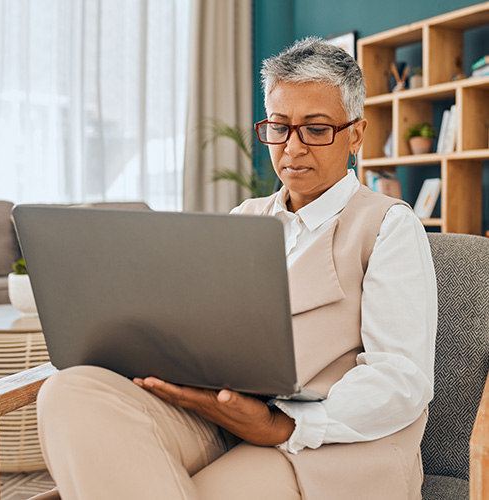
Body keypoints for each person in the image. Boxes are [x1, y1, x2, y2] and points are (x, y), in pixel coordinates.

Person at [36, 37, 436, 500]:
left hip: (326, 443)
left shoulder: (388, 225)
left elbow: (401, 378)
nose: (293, 147)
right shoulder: (245, 217)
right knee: (70, 391)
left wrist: (284, 423)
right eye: (280, 127)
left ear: (356, 134)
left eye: (316, 128)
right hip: (223, 415)